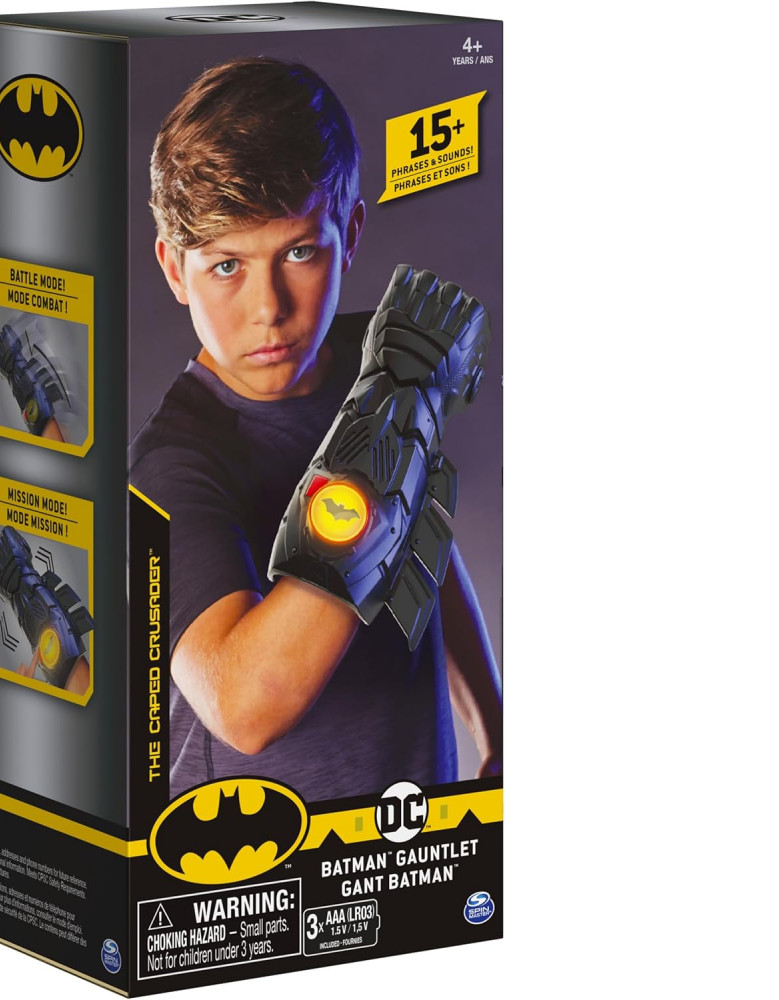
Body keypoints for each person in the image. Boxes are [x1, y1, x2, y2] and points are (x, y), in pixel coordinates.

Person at [129, 57, 501, 802]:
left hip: (410, 827)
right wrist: (382, 451)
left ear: (350, 233)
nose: (268, 308)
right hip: (256, 848)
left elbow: (420, 535)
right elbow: (247, 706)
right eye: (226, 266)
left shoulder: (379, 367)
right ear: (174, 269)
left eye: (299, 252)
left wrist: (494, 725)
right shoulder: (173, 465)